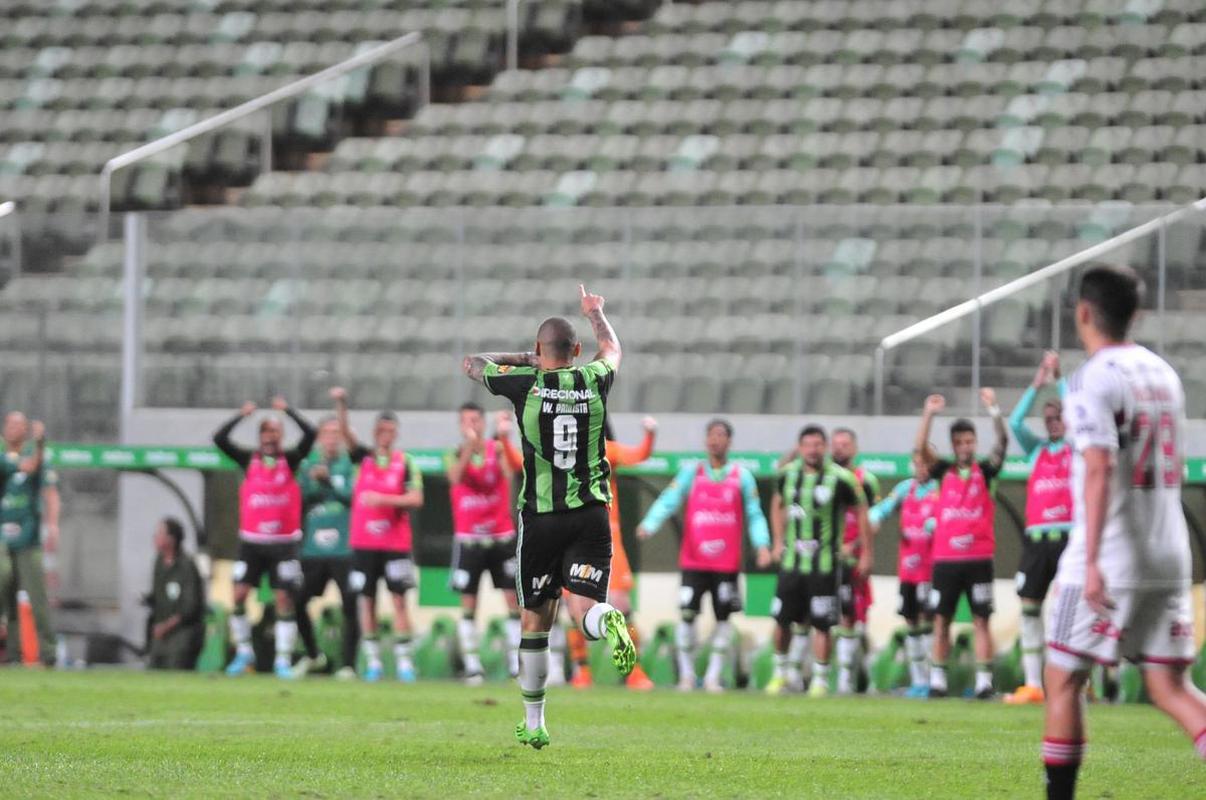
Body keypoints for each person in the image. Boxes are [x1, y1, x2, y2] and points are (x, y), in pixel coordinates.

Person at [1041, 265, 1205, 800]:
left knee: (1063, 677)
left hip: (1112, 551)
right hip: (1169, 549)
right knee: (1170, 685)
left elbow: (1098, 465)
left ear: (1083, 312)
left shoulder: (1091, 377)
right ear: (1136, 313)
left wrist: (1088, 561)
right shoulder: (1163, 373)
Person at [462, 284, 635, 751]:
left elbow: (473, 363)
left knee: (535, 621)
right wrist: (596, 313)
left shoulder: (527, 384)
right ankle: (607, 618)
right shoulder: (596, 377)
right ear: (576, 351)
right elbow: (613, 348)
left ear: (543, 351)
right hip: (591, 517)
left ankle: (534, 722)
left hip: (542, 520)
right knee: (583, 611)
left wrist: (527, 358)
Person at [637, 418, 771, 693]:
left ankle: (712, 678)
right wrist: (650, 524)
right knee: (687, 615)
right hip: (694, 560)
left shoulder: (741, 477)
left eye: (721, 435)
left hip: (726, 563)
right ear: (705, 440)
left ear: (729, 441)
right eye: (711, 435)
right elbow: (668, 500)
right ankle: (686, 676)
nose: (715, 440)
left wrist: (762, 544)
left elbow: (755, 513)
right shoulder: (692, 472)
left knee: (723, 619)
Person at [915, 388, 1008, 699]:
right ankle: (938, 681)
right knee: (942, 619)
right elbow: (920, 449)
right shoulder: (943, 471)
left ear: (975, 443)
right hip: (946, 559)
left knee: (982, 620)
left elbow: (1003, 444)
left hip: (979, 557)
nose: (965, 446)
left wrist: (995, 411)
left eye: (969, 441)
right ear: (953, 446)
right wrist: (928, 414)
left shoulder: (987, 471)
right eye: (960, 442)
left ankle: (984, 683)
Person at [213, 397, 316, 678]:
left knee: (284, 598)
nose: (270, 436)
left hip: (283, 543)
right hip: (252, 542)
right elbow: (219, 439)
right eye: (266, 431)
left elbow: (311, 434)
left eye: (275, 431)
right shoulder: (249, 460)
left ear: (280, 435)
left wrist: (289, 411)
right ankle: (245, 652)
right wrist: (241, 415)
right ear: (260, 436)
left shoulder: (291, 460)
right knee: (238, 594)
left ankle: (282, 660)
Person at [766, 425, 870, 698]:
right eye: (808, 445)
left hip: (824, 565)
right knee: (782, 621)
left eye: (817, 444)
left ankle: (820, 680)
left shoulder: (841, 478)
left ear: (824, 447)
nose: (813, 450)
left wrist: (866, 552)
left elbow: (861, 511)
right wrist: (777, 542)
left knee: (823, 624)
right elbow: (777, 504)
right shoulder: (787, 475)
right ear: (800, 448)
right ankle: (780, 674)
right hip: (791, 564)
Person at [334, 389, 424, 683]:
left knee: (399, 601)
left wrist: (385, 500)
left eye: (390, 430)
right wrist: (342, 404)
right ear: (375, 432)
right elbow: (345, 433)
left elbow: (416, 499)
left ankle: (404, 664)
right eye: (381, 430)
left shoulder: (405, 462)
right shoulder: (364, 459)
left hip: (395, 544)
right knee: (367, 601)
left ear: (396, 433)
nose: (386, 434)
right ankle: (373, 663)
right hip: (364, 544)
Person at [1004, 351, 1071, 706]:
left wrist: (1059, 379)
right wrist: (1036, 386)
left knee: (1068, 611)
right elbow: (1015, 423)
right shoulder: (1037, 452)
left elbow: (1078, 412)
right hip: (1036, 539)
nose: (1053, 422)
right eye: (1048, 417)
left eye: (1058, 416)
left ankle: (1077, 682)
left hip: (1068, 538)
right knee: (1030, 606)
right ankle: (1033, 684)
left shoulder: (1077, 448)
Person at [446, 402, 521, 685]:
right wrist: (468, 446)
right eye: (465, 421)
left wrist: (501, 437)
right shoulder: (454, 454)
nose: (471, 425)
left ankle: (516, 665)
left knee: (513, 600)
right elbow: (454, 477)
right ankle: (473, 665)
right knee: (468, 602)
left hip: (501, 536)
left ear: (482, 421)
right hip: (469, 540)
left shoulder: (497, 449)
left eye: (475, 420)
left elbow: (509, 473)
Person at [868, 445, 940, 698]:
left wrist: (938, 524)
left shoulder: (940, 489)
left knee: (930, 621)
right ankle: (918, 680)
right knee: (911, 621)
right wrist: (873, 518)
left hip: (932, 570)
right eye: (917, 463)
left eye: (926, 464)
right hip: (908, 569)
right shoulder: (904, 488)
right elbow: (882, 509)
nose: (921, 468)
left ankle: (935, 679)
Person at [292, 411, 359, 679]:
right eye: (326, 434)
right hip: (313, 549)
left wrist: (328, 481)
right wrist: (314, 482)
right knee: (298, 601)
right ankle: (312, 654)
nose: (331, 439)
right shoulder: (309, 464)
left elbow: (353, 496)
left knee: (351, 605)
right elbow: (303, 496)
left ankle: (348, 665)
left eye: (336, 434)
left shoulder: (349, 464)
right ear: (319, 438)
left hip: (344, 548)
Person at [1, 414, 58, 665]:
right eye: (10, 424)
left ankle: (49, 654)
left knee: (37, 598)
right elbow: (24, 465)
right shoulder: (4, 457)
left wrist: (53, 524)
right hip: (3, 535)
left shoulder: (37, 458)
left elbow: (48, 489)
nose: (14, 429)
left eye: (19, 425)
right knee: (4, 581)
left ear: (25, 431)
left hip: (29, 538)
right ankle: (12, 654)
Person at [830, 427, 880, 695]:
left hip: (854, 560)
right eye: (835, 444)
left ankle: (850, 678)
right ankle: (827, 677)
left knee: (854, 617)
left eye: (845, 444)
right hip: (826, 560)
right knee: (823, 616)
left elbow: (872, 521)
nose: (839, 448)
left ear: (855, 448)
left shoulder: (866, 480)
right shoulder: (825, 478)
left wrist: (859, 548)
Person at [146, 517, 205, 671]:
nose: (156, 537)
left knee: (177, 668)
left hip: (182, 633)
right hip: (160, 633)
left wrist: (166, 626)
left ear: (171, 539)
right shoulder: (159, 562)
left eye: (160, 533)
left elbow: (190, 606)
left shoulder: (186, 566)